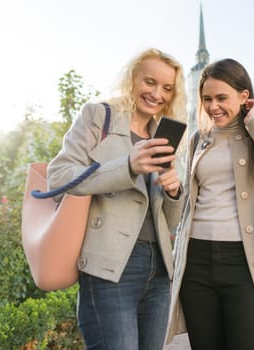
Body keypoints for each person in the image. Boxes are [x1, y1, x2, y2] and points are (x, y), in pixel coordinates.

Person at [165, 58, 254, 350]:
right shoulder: (199, 139)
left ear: (244, 96)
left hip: (246, 261)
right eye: (207, 99)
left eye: (222, 97)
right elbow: (191, 202)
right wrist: (172, 191)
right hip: (196, 260)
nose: (213, 106)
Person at [47, 48, 187, 350]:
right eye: (150, 82)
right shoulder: (99, 115)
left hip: (159, 269)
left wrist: (174, 191)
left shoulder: (161, 135)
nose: (157, 94)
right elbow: (58, 177)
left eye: (167, 88)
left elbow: (170, 222)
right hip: (111, 267)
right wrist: (127, 167)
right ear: (132, 78)